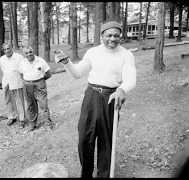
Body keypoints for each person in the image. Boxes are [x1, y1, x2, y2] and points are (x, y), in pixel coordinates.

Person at [55, 19, 137, 178]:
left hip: (111, 98)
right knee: (85, 138)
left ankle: (104, 175)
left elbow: (131, 79)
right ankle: (86, 174)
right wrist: (66, 62)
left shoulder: (127, 55)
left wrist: (121, 89)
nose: (112, 39)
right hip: (91, 96)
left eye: (116, 36)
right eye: (109, 35)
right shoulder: (93, 52)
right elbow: (77, 73)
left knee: (107, 141)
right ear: (102, 36)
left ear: (120, 36)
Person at [17, 45, 53, 132]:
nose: (29, 54)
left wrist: (40, 81)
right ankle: (32, 124)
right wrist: (29, 81)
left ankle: (48, 125)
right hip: (28, 85)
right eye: (26, 53)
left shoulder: (40, 61)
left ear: (33, 52)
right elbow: (21, 75)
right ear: (24, 54)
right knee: (30, 105)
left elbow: (48, 74)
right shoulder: (23, 62)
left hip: (39, 85)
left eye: (30, 52)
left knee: (43, 105)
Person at [0, 43, 28, 127]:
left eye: (8, 49)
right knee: (8, 100)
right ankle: (12, 117)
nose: (7, 51)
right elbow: (3, 69)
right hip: (6, 81)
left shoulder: (19, 57)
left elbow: (24, 69)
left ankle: (22, 118)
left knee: (19, 100)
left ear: (12, 48)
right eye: (5, 49)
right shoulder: (2, 59)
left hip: (16, 81)